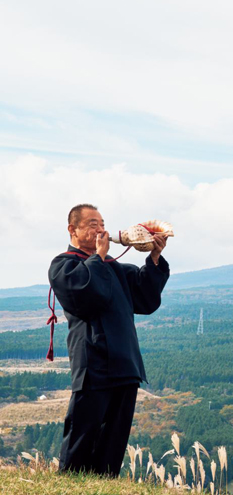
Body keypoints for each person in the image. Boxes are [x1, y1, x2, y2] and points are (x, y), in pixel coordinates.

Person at [48, 204, 170, 476]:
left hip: (125, 363)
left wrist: (154, 257)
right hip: (93, 363)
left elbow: (146, 298)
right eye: (92, 224)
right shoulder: (64, 265)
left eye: (102, 223)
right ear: (73, 229)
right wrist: (99, 257)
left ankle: (105, 485)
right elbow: (86, 296)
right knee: (83, 432)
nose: (100, 229)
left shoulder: (114, 267)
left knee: (114, 438)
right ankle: (69, 486)